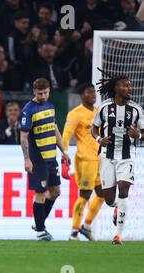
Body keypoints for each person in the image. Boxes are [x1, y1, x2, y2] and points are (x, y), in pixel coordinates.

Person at [91, 71, 144, 245]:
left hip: (127, 156)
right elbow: (94, 128)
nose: (130, 88)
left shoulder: (136, 110)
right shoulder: (104, 107)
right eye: (125, 85)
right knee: (109, 199)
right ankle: (117, 209)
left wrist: (139, 135)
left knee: (123, 191)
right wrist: (100, 139)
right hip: (107, 156)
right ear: (115, 88)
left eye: (130, 85)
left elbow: (143, 133)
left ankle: (118, 235)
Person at [20, 78, 71, 241]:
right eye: (40, 93)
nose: (43, 96)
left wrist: (64, 151)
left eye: (46, 93)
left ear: (49, 91)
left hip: (52, 157)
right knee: (41, 193)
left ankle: (39, 222)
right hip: (38, 159)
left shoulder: (50, 107)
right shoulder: (29, 110)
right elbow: (23, 137)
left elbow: (54, 129)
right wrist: (27, 159)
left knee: (56, 192)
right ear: (34, 92)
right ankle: (41, 231)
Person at [62, 83, 104, 241]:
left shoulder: (98, 112)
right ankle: (74, 232)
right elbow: (66, 135)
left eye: (94, 92)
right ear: (81, 95)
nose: (93, 94)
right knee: (85, 195)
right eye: (89, 92)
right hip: (85, 160)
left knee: (102, 195)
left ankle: (86, 226)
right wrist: (64, 157)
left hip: (100, 160)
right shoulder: (75, 114)